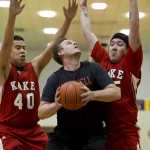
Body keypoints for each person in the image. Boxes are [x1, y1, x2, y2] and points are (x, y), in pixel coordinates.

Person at [38, 2, 121, 150]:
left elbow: (116, 93)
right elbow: (41, 112)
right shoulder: (55, 78)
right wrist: (58, 104)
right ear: (60, 53)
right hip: (64, 136)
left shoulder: (93, 68)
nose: (74, 42)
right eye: (69, 43)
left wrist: (92, 95)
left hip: (94, 135)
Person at [0, 0, 75, 149]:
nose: (22, 51)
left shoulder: (34, 67)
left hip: (33, 129)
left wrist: (67, 21)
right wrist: (12, 16)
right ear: (9, 52)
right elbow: (7, 45)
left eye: (24, 48)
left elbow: (54, 44)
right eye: (18, 48)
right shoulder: (4, 69)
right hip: (9, 130)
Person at [80, 0, 143, 150]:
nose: (114, 47)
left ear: (128, 50)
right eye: (112, 44)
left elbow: (134, 28)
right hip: (101, 130)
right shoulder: (103, 60)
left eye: (120, 44)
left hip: (124, 131)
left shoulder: (131, 63)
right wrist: (83, 8)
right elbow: (88, 34)